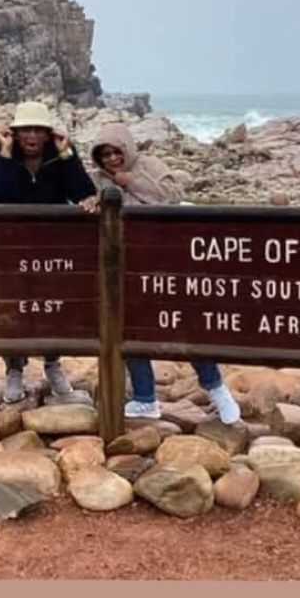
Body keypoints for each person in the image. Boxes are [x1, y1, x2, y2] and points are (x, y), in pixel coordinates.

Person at [88, 123, 241, 425]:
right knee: (130, 331)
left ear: (127, 149)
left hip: (166, 265)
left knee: (186, 326)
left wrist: (130, 181)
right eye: (104, 154)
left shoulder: (151, 167)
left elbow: (170, 198)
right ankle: (145, 398)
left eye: (116, 151)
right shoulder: (94, 179)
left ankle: (216, 389)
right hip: (125, 270)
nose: (112, 159)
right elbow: (82, 201)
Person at [0, 100, 99, 404]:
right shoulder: (4, 154)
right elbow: (0, 193)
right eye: (26, 130)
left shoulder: (60, 156)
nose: (32, 136)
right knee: (13, 307)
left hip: (53, 245)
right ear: (16, 133)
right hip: (11, 246)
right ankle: (14, 370)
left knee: (53, 305)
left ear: (48, 134)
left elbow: (84, 191)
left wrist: (67, 154)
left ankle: (52, 365)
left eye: (38, 130)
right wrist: (6, 153)